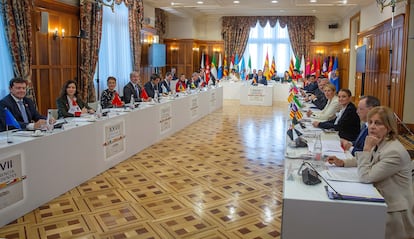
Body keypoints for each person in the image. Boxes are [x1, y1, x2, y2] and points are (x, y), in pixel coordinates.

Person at [356, 106, 414, 239]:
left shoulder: (394, 152)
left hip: (394, 213)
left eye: (378, 123)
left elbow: (365, 176)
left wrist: (366, 149)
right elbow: (371, 159)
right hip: (380, 201)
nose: (372, 127)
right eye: (370, 122)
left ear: (388, 127)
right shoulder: (382, 142)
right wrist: (343, 162)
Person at [327, 95, 381, 167]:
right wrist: (348, 143)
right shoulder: (365, 125)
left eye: (360, 109)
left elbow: (366, 154)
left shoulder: (376, 130)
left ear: (371, 110)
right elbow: (359, 142)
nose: (357, 111)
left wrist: (350, 148)